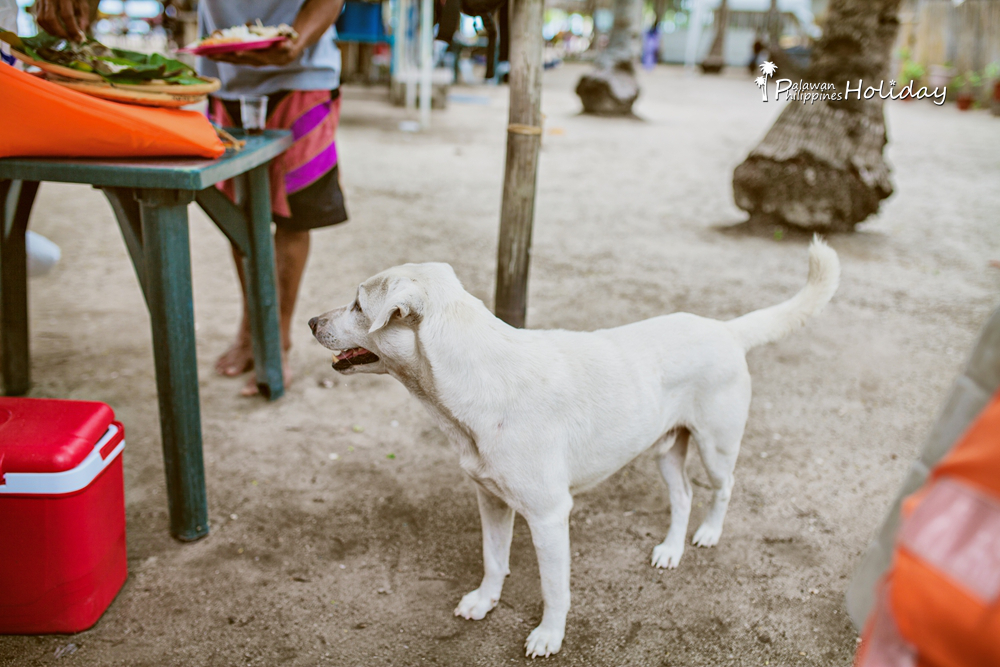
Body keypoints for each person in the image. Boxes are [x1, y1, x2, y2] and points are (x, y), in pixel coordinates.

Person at [34, 0, 349, 396]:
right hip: (224, 77)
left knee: (292, 216)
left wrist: (297, 40)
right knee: (240, 212)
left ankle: (277, 337)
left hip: (304, 73)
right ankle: (251, 326)